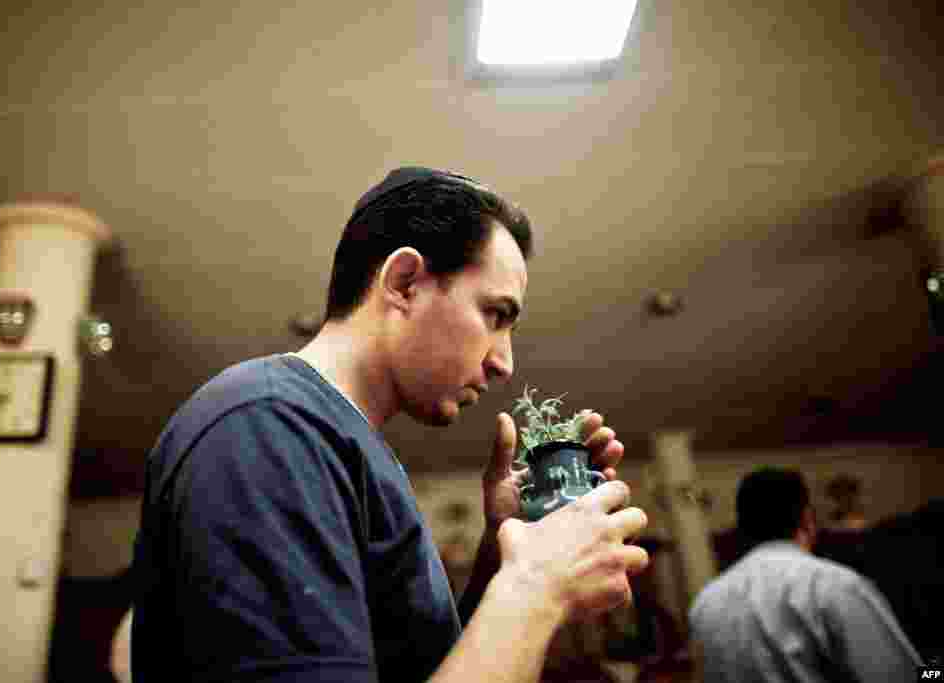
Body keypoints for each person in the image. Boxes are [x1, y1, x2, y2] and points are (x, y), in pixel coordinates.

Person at [129, 167, 650, 682]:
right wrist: (537, 588)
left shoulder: (337, 441)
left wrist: (503, 554)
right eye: (495, 314)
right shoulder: (266, 427)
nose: (504, 363)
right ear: (404, 283)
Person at [688, 466, 922, 682]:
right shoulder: (832, 585)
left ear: (742, 528)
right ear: (807, 519)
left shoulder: (707, 600)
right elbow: (901, 675)